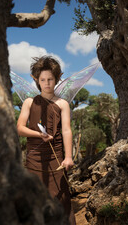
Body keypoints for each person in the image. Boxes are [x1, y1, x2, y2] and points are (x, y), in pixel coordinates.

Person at [17, 56, 76, 224]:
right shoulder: (29, 102)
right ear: (37, 80)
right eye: (43, 79)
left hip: (56, 159)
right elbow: (20, 128)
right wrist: (38, 135)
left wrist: (69, 157)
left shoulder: (63, 104)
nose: (47, 83)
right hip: (34, 160)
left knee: (61, 201)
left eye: (50, 79)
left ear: (57, 79)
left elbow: (66, 130)